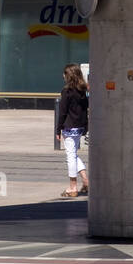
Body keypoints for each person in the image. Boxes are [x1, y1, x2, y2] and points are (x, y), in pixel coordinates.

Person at [56, 63, 89, 198]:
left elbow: (62, 112)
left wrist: (58, 129)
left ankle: (73, 187)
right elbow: (85, 109)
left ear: (68, 76)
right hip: (80, 126)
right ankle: (86, 181)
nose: (63, 76)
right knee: (73, 154)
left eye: (64, 74)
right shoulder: (82, 90)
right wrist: (86, 126)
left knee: (70, 156)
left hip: (69, 126)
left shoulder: (67, 91)